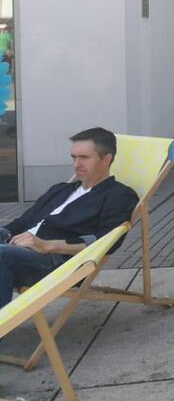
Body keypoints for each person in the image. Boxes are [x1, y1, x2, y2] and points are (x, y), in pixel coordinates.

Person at [0, 128, 138, 306]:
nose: (76, 164)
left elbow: (107, 241)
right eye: (74, 157)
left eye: (84, 157)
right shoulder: (61, 189)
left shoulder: (118, 195)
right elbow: (23, 222)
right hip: (16, 248)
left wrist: (47, 245)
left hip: (55, 262)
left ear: (106, 159)